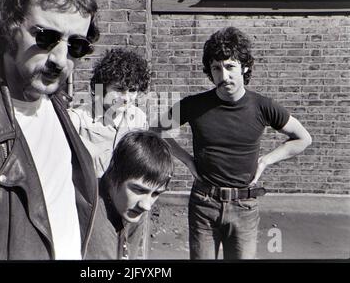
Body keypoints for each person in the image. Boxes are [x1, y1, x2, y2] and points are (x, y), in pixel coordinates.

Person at [154, 27, 312, 259]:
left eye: (230, 67)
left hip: (245, 205)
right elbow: (156, 130)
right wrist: (187, 160)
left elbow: (303, 138)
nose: (224, 76)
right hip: (204, 204)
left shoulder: (262, 106)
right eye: (216, 68)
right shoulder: (194, 105)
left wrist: (266, 161)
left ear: (244, 67)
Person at [0, 0, 100, 260]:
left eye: (76, 45)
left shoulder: (59, 108)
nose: (60, 58)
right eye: (45, 37)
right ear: (10, 27)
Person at [85, 131, 174, 259]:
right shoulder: (88, 215)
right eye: (139, 190)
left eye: (155, 194)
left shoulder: (131, 209)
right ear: (113, 176)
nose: (147, 205)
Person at [68, 48, 150, 178]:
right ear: (100, 87)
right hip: (88, 194)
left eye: (132, 90)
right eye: (119, 89)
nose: (126, 98)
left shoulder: (139, 118)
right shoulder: (77, 118)